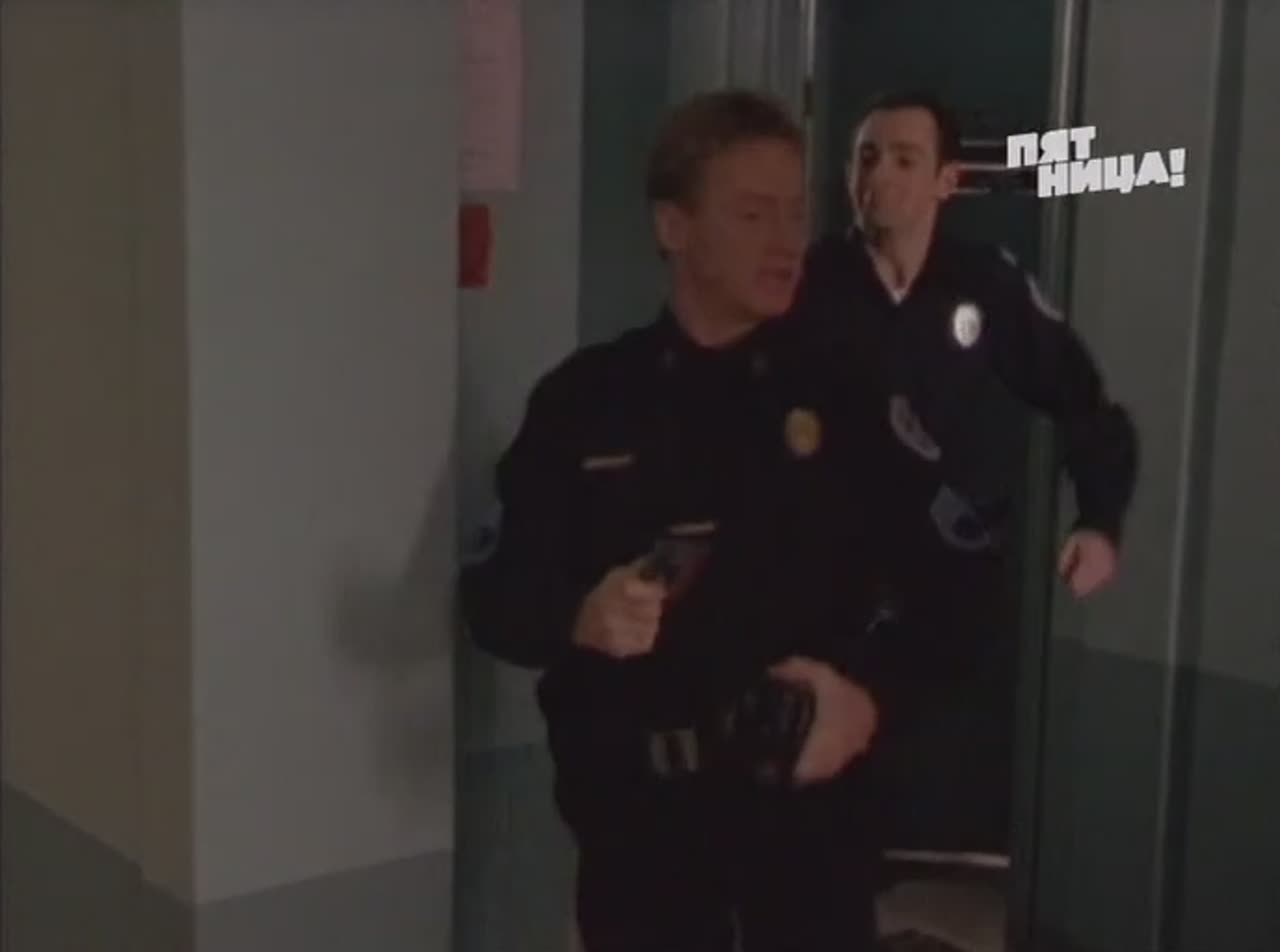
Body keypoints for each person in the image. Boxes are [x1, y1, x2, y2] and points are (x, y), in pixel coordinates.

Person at [460, 90, 938, 952]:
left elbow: (951, 583)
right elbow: (494, 597)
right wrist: (578, 614)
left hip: (808, 842)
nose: (785, 241)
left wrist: (869, 703)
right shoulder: (587, 402)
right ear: (674, 227)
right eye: (753, 214)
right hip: (643, 847)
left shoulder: (848, 398)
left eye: (794, 213)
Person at [793, 90, 1140, 858]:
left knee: (913, 766)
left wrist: (1098, 521)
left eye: (904, 160)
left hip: (945, 579)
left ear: (946, 181)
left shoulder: (986, 286)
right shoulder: (811, 284)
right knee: (819, 792)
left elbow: (1085, 403)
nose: (880, 177)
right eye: (866, 158)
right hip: (826, 579)